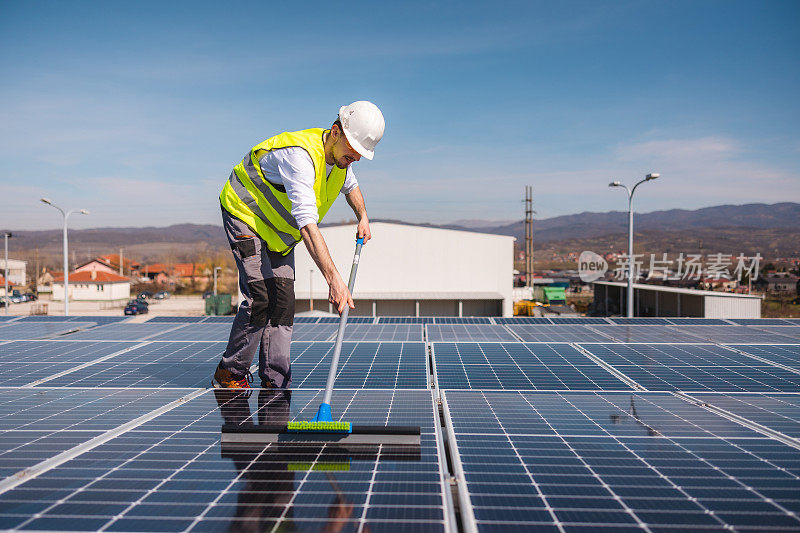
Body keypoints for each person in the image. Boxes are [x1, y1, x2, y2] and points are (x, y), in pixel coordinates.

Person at [213, 101, 385, 389]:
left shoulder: (341, 159)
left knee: (282, 304)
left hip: (278, 234)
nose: (354, 158)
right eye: (353, 150)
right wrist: (334, 280)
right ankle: (230, 373)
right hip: (245, 215)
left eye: (360, 155)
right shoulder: (300, 157)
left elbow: (351, 186)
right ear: (335, 132)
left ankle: (275, 380)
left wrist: (363, 216)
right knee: (260, 299)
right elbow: (307, 224)